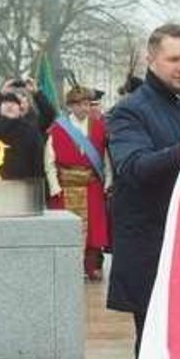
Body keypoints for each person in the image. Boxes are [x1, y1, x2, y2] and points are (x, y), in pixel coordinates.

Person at [107, 23, 180, 359]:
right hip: (153, 246)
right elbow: (133, 167)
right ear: (151, 60)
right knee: (157, 348)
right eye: (173, 59)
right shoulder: (129, 109)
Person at [45, 86, 113, 280]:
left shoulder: (99, 127)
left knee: (93, 230)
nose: (84, 108)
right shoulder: (58, 128)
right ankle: (67, 267)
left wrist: (108, 181)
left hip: (91, 185)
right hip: (66, 187)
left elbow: (106, 157)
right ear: (70, 106)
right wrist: (54, 186)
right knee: (66, 228)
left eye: (86, 104)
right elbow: (49, 161)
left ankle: (91, 267)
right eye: (79, 104)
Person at [0, 90, 46, 180]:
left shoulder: (31, 131)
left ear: (20, 109)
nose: (9, 105)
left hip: (22, 184)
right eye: (5, 102)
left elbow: (38, 161)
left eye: (14, 103)